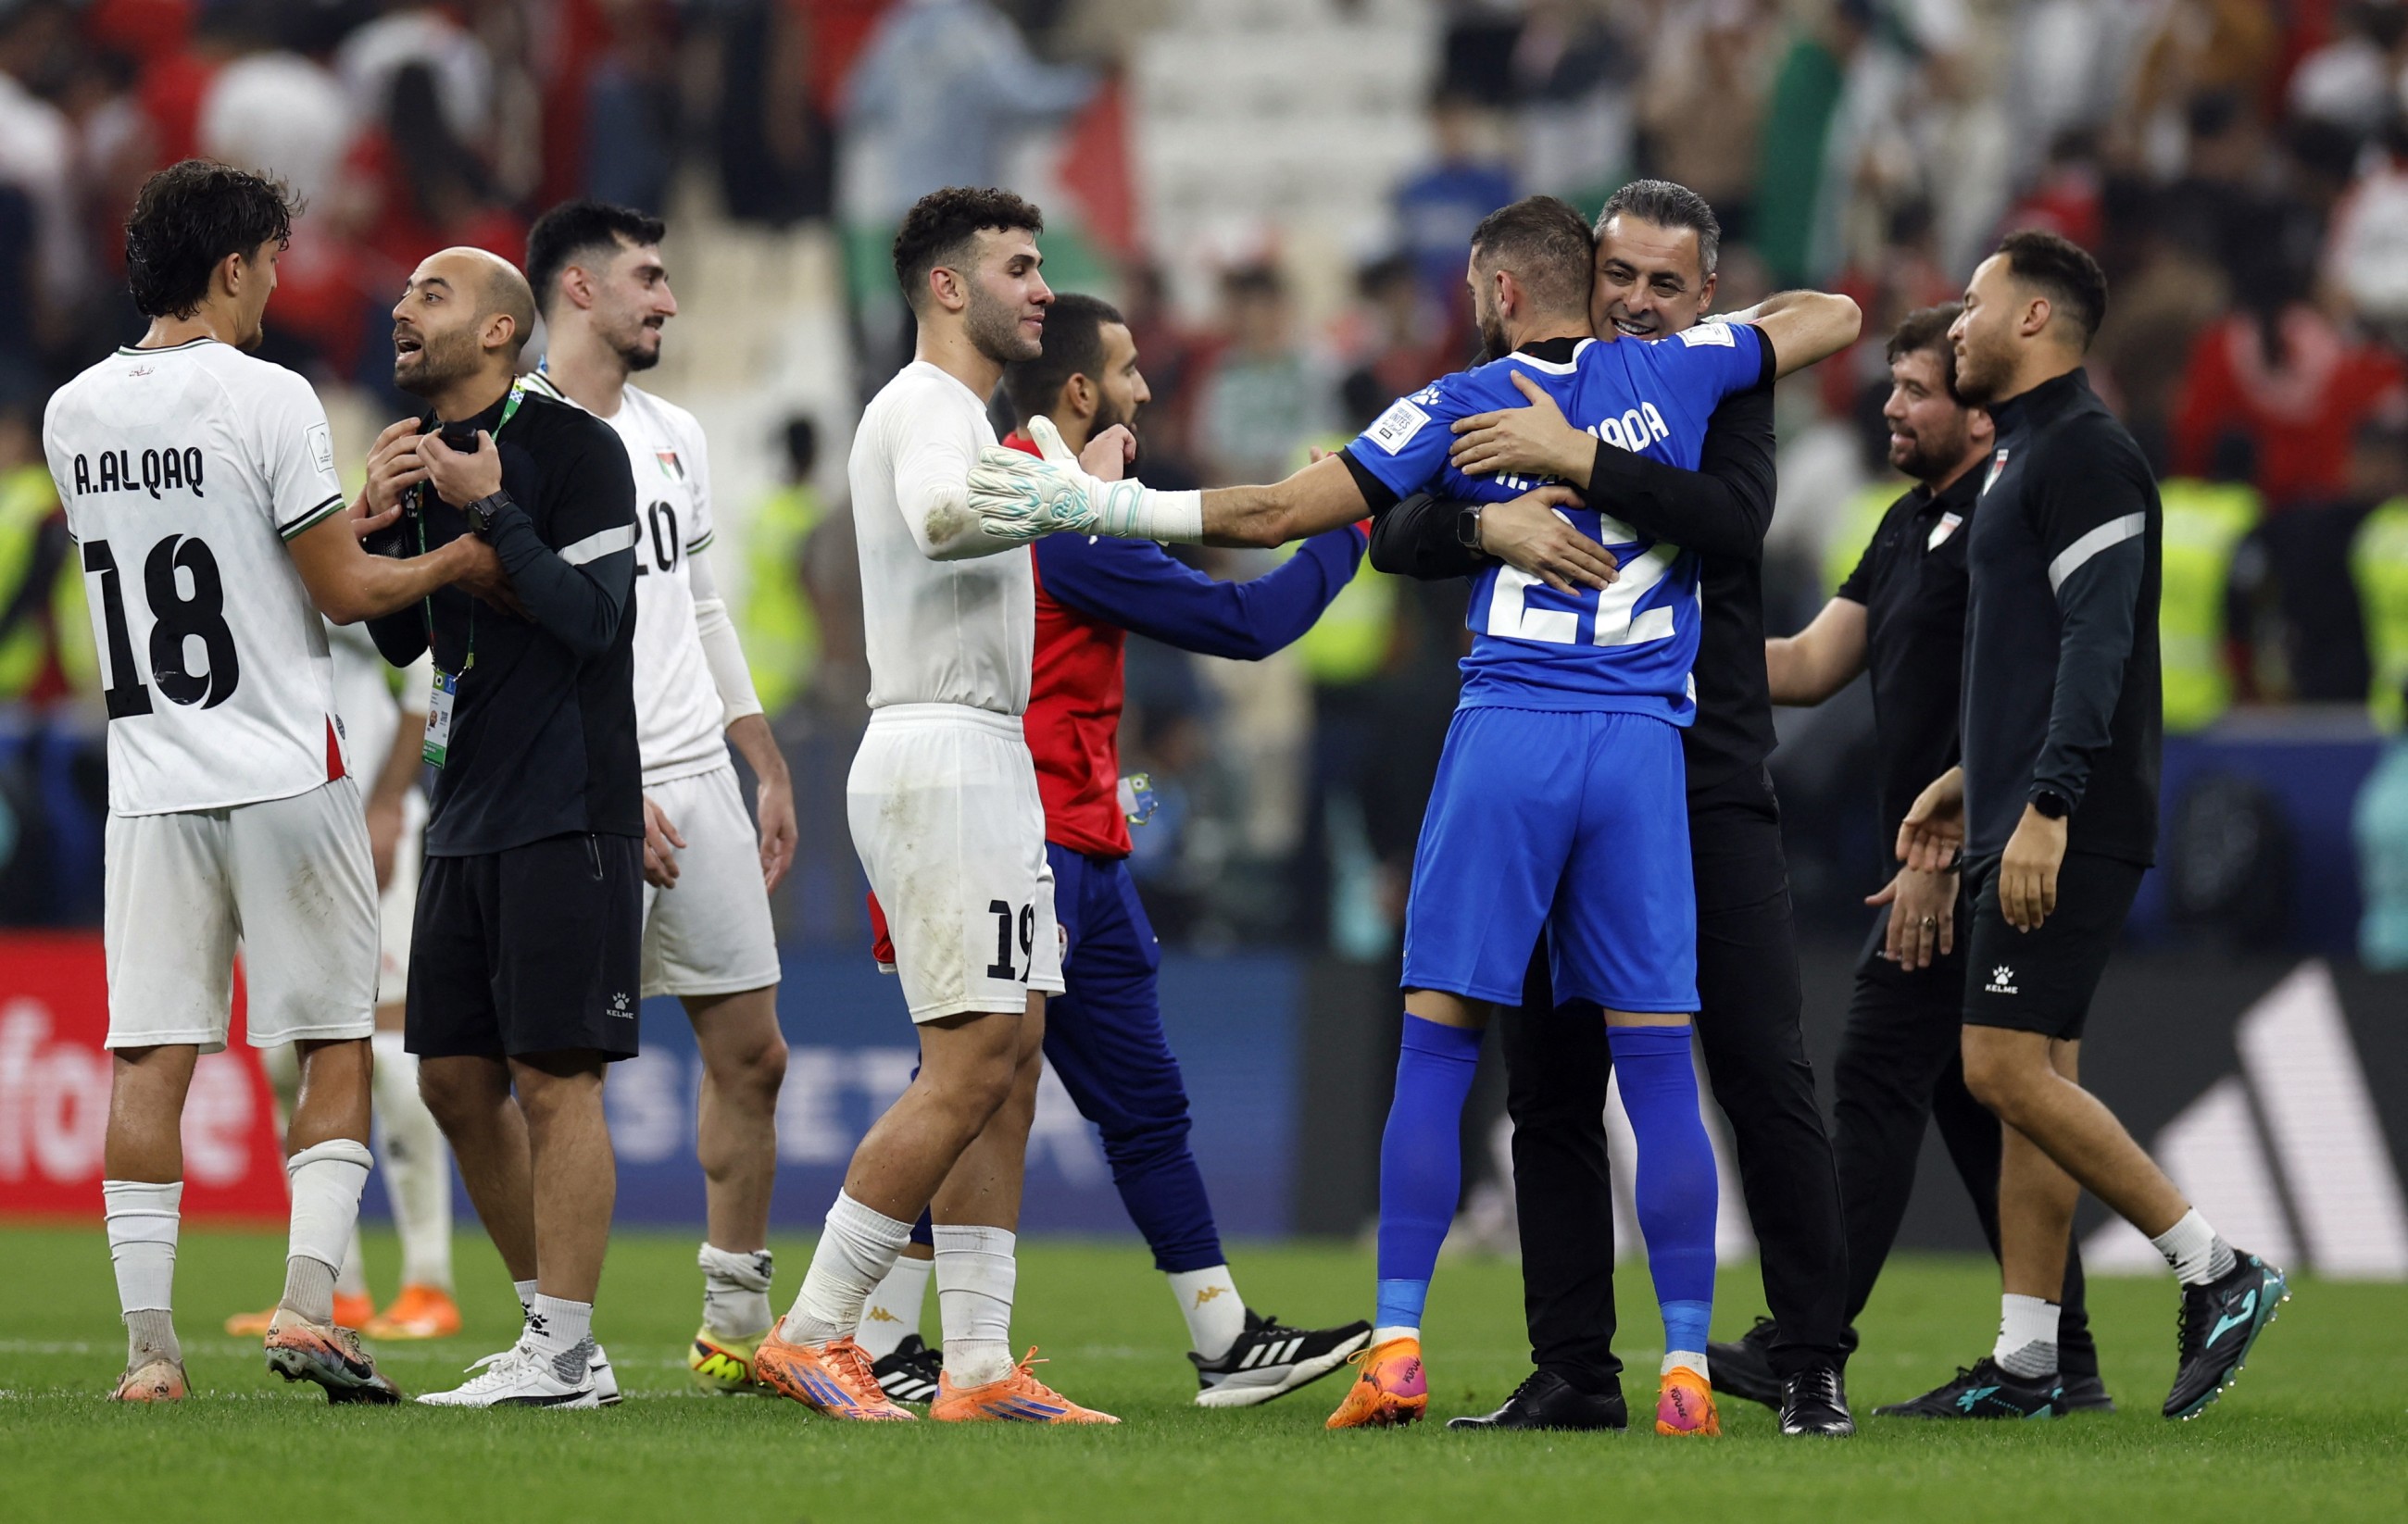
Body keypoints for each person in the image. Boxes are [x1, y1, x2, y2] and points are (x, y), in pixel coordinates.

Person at [966, 194, 1858, 1436]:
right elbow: (1832, 315)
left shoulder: (1455, 405)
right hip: (1646, 749)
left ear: (1497, 294)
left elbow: (1283, 513)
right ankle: (1689, 1371)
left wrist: (1103, 505)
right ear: (1587, 282)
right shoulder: (1691, 365)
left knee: (1439, 1050)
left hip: (1510, 733)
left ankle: (1397, 1347)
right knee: (1660, 1068)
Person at [1370, 180, 1859, 1437]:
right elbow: (1405, 527)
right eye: (1619, 277)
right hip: (1581, 752)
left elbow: (1733, 523)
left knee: (1758, 1063)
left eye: (1662, 283)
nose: (1636, 301)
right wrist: (1495, 524)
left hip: (1703, 777)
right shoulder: (1544, 383)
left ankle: (1809, 1357)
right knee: (1550, 1081)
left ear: (1706, 296)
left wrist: (1578, 459)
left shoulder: (1718, 390)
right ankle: (1576, 1369)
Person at [851, 293, 1373, 1407]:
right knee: (968, 1089)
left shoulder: (1042, 493)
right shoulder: (1065, 520)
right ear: (1081, 388)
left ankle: (1220, 1336)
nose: (1144, 387)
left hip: (1084, 838)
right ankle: (867, 1334)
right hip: (1016, 837)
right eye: (1128, 370)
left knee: (1127, 1102)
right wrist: (1350, 529)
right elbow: (1248, 625)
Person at [47, 159, 498, 1403]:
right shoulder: (272, 394)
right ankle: (311, 1305)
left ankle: (149, 1354)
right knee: (335, 1039)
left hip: (150, 781)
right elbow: (342, 598)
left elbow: (221, 551)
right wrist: (456, 554)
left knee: (150, 1059)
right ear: (234, 266)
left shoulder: (73, 411)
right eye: (272, 262)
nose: (279, 284)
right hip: (283, 770)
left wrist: (343, 515)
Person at [1886, 231, 2288, 1420]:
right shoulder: (2021, 457)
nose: (1952, 323)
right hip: (2018, 803)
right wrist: (1975, 776)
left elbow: (2103, 641)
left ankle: (2216, 1267)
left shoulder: (2087, 455)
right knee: (2036, 1072)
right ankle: (2026, 1360)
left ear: (2030, 323)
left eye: (1971, 303)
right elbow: (2035, 651)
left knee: (1997, 1064)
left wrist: (2047, 802)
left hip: (2068, 817)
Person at [750, 186, 1115, 1426]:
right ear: (948, 287)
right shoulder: (922, 407)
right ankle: (812, 1330)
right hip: (939, 746)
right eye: (1018, 265)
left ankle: (976, 1361)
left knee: (1013, 1057)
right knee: (965, 1062)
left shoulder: (970, 415)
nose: (1041, 289)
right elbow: (940, 518)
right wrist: (1064, 486)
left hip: (986, 753)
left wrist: (1052, 475)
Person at [1735, 303, 2111, 1413]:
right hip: (1931, 854)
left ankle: (1803, 1336)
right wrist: (1657, 649)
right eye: (1891, 386)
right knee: (1962, 1097)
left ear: (1980, 415)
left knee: (1874, 1076)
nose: (1888, 407)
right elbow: (1806, 664)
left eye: (1913, 389)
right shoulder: (1910, 524)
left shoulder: (2005, 527)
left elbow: (2022, 695)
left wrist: (1948, 845)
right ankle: (2062, 1355)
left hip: (1969, 857)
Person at [520, 199, 796, 1396]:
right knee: (560, 1077)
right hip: (590, 791)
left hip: (698, 776)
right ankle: (554, 1333)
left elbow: (697, 604)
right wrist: (605, 789)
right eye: (647, 277)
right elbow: (515, 652)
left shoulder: (675, 431)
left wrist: (764, 755)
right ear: (578, 290)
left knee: (756, 1054)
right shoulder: (513, 436)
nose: (669, 300)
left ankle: (736, 1319)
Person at [363, 244, 646, 1410]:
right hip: (465, 798)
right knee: (450, 1080)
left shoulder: (577, 449)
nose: (400, 307)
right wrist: (384, 527)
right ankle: (550, 1332)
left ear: (498, 331)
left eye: (431, 293)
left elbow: (596, 620)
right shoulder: (421, 460)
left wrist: (493, 519)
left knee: (554, 1075)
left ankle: (569, 1349)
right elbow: (400, 642)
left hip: (567, 801)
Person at [226, 621, 459, 1342]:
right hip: (268, 825)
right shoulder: (238, 546)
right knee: (280, 1058)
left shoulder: (362, 545)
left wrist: (393, 800)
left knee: (386, 1042)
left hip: (364, 818)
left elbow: (440, 680)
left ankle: (429, 1281)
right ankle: (336, 1284)